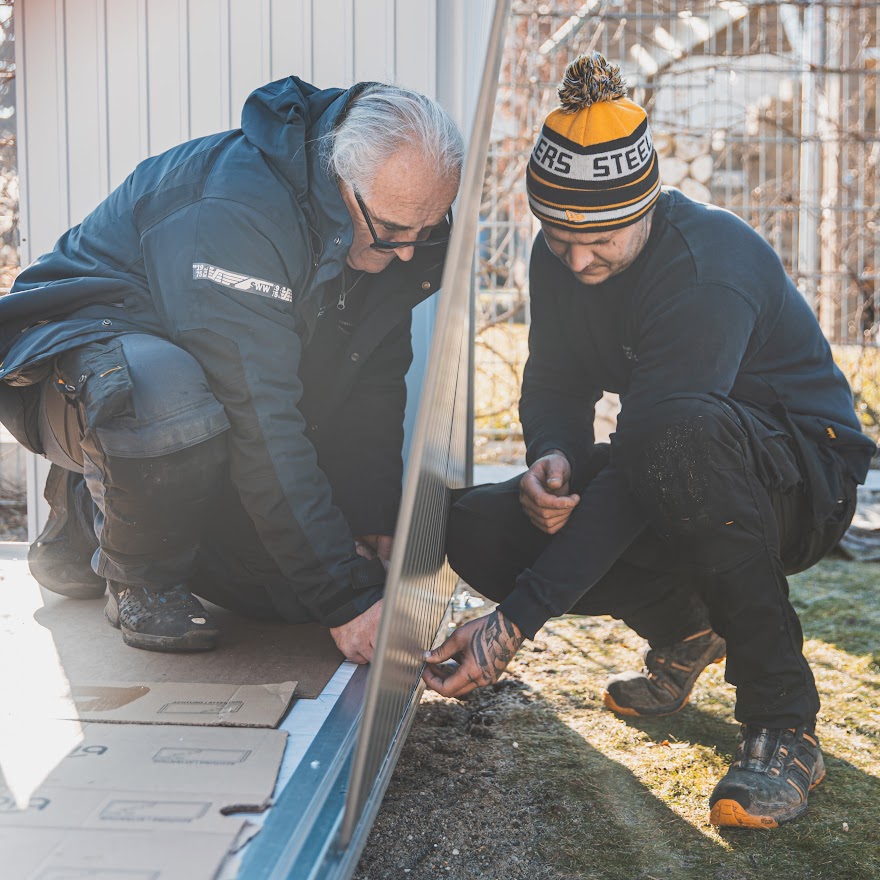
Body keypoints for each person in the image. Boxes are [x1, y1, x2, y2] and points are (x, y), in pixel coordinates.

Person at [424, 52, 875, 829]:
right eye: (559, 235)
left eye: (599, 238)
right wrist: (554, 461)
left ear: (649, 205)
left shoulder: (708, 266)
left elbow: (650, 459)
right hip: (675, 457)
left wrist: (512, 625)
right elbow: (557, 377)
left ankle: (783, 723)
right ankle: (687, 630)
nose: (577, 258)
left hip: (803, 479)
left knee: (673, 435)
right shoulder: (561, 255)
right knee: (476, 525)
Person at [0, 77, 462, 662]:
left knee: (286, 596)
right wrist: (345, 596)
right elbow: (260, 418)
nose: (405, 252)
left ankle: (113, 519)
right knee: (167, 397)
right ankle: (130, 563)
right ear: (341, 179)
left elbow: (369, 380)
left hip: (204, 385)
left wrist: (372, 519)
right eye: (393, 231)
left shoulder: (384, 226)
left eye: (425, 233)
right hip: (83, 373)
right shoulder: (234, 213)